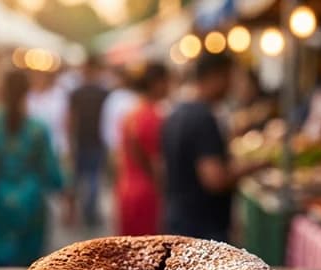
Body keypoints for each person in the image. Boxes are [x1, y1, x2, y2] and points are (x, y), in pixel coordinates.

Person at [0, 69, 64, 267]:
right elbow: (52, 173)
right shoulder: (38, 129)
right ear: (27, 92)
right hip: (31, 205)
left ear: (0, 91)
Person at [162, 52, 262, 242]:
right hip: (203, 228)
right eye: (230, 77)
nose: (231, 85)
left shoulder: (177, 111)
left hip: (180, 221)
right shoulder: (203, 117)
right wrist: (253, 166)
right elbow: (215, 180)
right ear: (217, 76)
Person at [115, 62, 169, 237]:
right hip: (146, 193)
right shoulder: (152, 117)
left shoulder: (132, 113)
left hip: (126, 188)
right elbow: (155, 164)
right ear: (157, 83)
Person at [67, 55, 109, 230]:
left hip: (81, 140)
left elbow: (71, 119)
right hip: (96, 140)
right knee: (93, 178)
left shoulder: (76, 92)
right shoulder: (104, 93)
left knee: (79, 178)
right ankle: (89, 212)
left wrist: (70, 140)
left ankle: (79, 212)